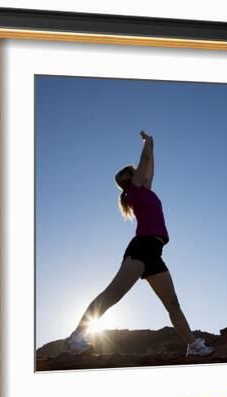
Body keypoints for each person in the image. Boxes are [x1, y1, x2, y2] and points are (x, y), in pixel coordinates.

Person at [61, 130, 214, 357]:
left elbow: (149, 164)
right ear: (131, 178)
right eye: (136, 173)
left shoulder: (144, 190)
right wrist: (148, 142)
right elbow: (145, 161)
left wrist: (151, 146)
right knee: (112, 295)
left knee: (172, 303)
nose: (143, 173)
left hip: (154, 252)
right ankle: (75, 338)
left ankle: (193, 345)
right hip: (141, 248)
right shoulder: (134, 190)